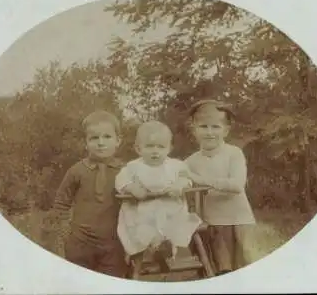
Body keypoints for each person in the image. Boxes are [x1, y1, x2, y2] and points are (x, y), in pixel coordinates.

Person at [115, 120, 202, 270]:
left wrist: (179, 185)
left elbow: (187, 178)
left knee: (174, 227)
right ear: (138, 148)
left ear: (169, 148)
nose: (155, 151)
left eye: (161, 147)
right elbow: (120, 181)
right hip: (142, 212)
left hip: (171, 211)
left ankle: (164, 252)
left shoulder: (175, 166)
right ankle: (152, 256)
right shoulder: (133, 167)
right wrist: (132, 188)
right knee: (143, 230)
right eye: (149, 146)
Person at [51, 110, 127, 278]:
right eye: (94, 138)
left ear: (118, 141)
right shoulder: (77, 171)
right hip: (80, 242)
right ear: (85, 143)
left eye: (107, 137)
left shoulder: (126, 171)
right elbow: (62, 202)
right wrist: (65, 232)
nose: (101, 143)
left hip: (114, 243)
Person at [184, 99, 256, 276]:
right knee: (218, 271)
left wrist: (200, 179)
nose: (209, 132)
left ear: (226, 130)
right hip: (212, 224)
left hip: (239, 220)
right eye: (203, 127)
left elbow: (237, 185)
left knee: (247, 267)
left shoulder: (234, 154)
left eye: (215, 127)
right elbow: (175, 178)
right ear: (193, 129)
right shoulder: (190, 162)